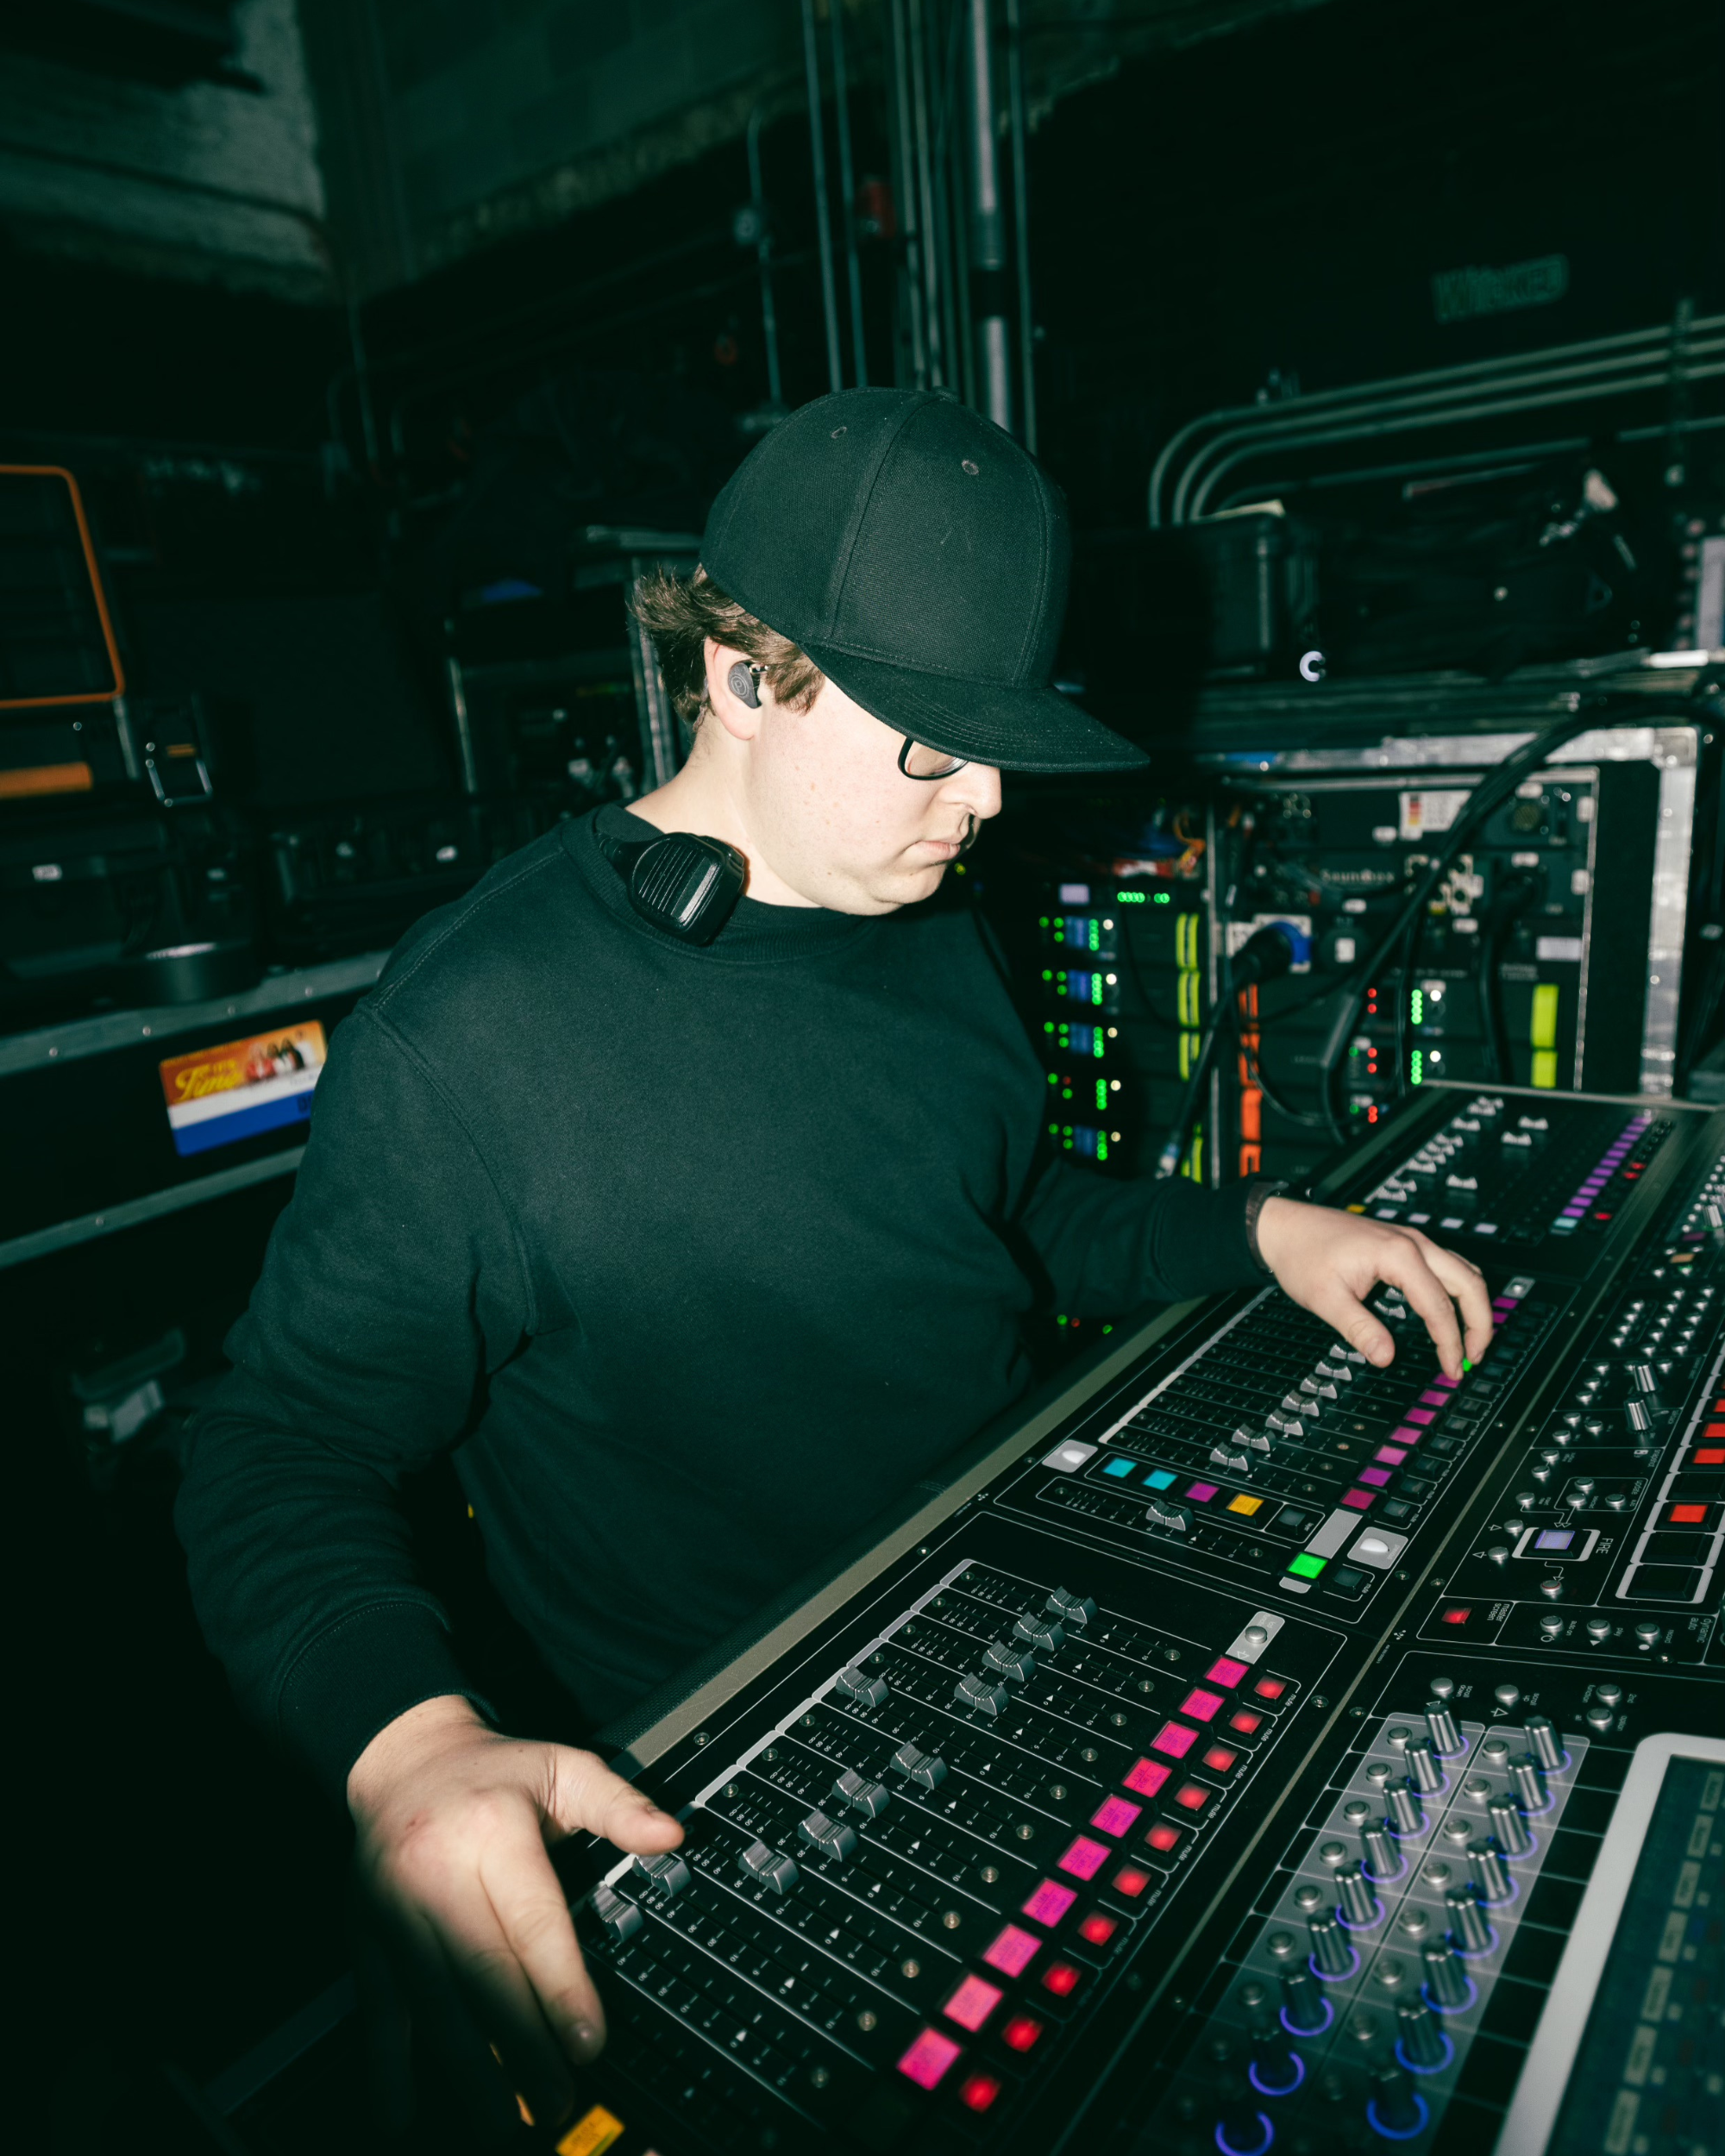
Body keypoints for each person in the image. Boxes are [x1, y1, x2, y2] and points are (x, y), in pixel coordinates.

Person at [176, 388, 1491, 2140]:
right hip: (720, 1765)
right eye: (933, 745)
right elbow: (277, 1442)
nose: (991, 797)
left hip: (1012, 1621)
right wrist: (407, 1743)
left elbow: (1000, 1204)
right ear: (742, 678)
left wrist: (1255, 1223)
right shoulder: (477, 1035)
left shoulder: (928, 914)